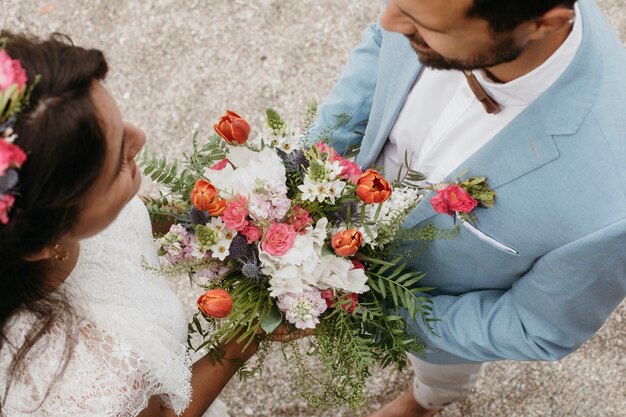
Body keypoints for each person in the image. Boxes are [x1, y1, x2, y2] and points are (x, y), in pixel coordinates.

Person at [309, 0, 626, 416]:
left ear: (543, 24)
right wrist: (309, 165)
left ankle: (425, 402)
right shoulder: (419, 12)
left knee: (440, 378)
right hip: (344, 212)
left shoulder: (611, 205)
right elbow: (380, 44)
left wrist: (373, 306)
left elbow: (537, 327)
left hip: (437, 317)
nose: (389, 19)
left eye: (423, 25)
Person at [0, 32, 263, 417]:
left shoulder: (45, 210)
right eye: (117, 165)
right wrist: (241, 342)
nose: (140, 138)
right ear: (47, 238)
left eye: (121, 124)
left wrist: (210, 215)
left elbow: (130, 212)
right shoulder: (86, 383)